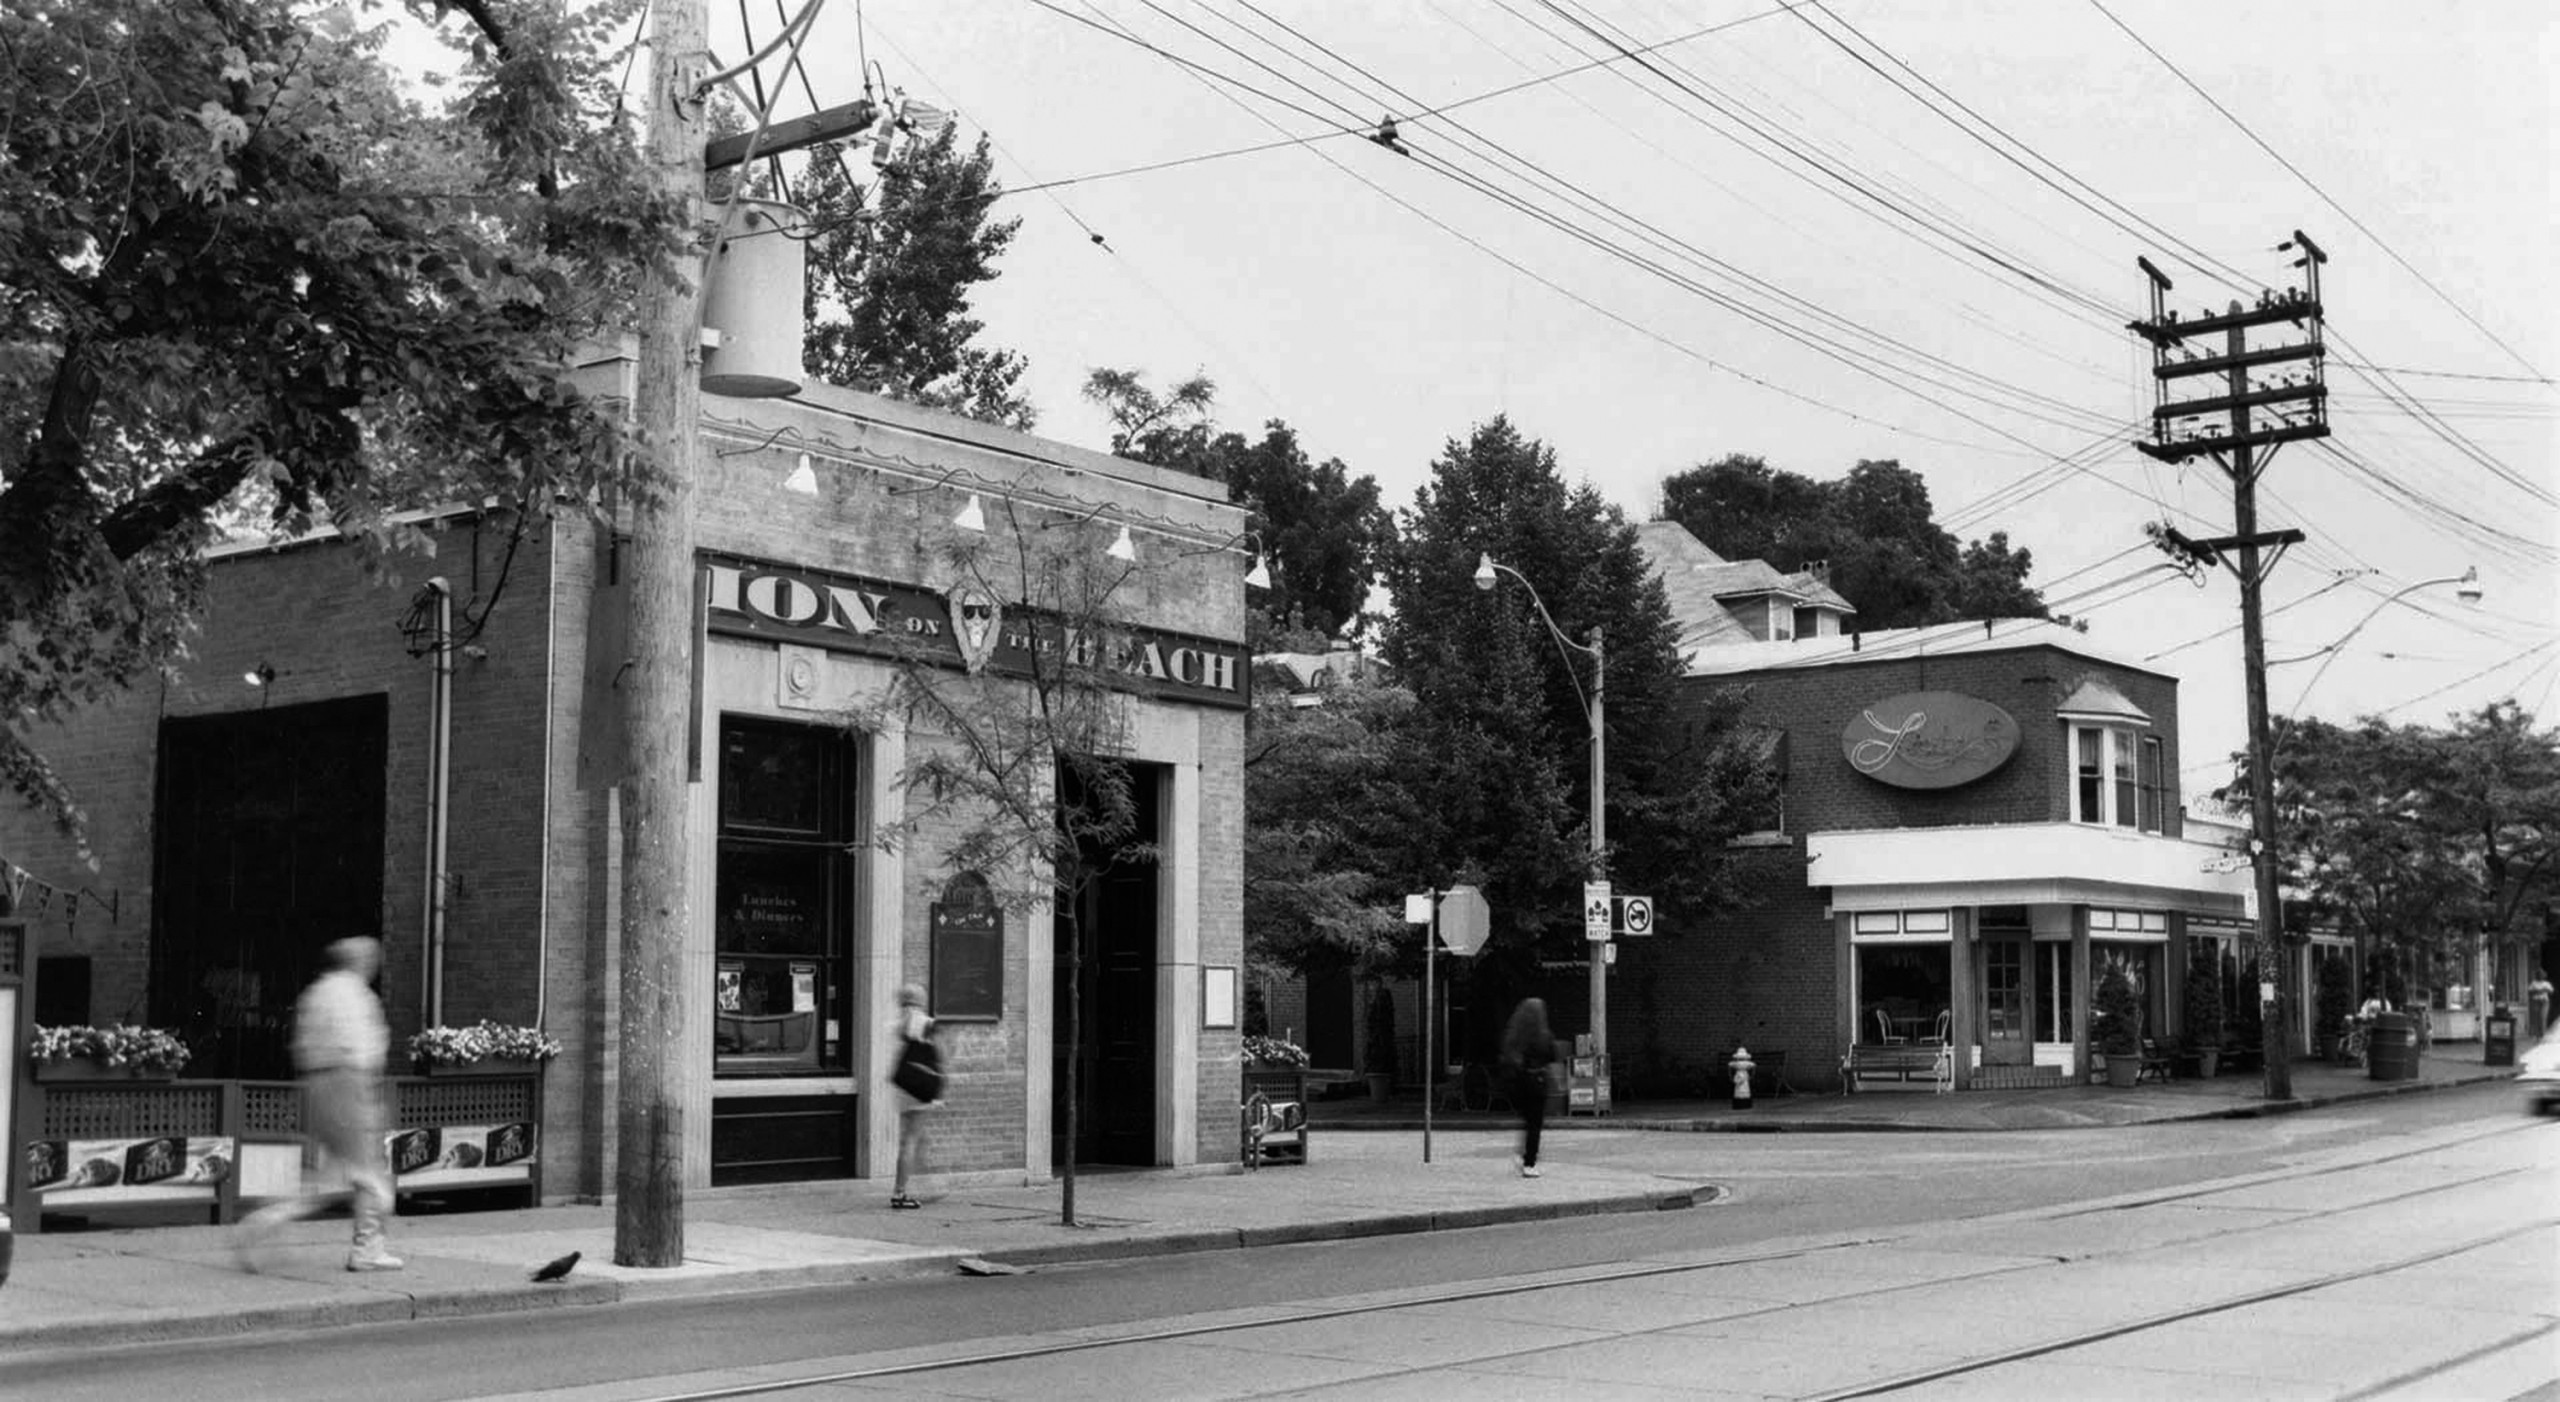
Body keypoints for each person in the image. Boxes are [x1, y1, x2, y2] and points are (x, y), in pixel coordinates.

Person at [236, 937, 401, 1272]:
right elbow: (362, 1051)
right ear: (359, 961)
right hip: (347, 1085)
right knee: (372, 1178)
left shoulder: (315, 993)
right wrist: (367, 1098)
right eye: (370, 958)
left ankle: (266, 1220)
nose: (373, 964)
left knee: (327, 1178)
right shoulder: (356, 996)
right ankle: (367, 1248)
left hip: (314, 1085)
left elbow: (302, 1045)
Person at [890, 983, 943, 1209]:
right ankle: (900, 1193)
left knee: (915, 1138)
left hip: (902, 1087)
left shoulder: (897, 1024)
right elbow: (939, 1058)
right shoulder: (928, 1024)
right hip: (921, 1088)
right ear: (920, 999)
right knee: (911, 1140)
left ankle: (930, 1184)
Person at [1499, 997, 1556, 1179]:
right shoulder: (1543, 1035)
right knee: (1534, 1124)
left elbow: (1507, 1055)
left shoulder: (1516, 1036)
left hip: (1520, 1083)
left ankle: (1525, 1154)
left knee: (1527, 1121)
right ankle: (1529, 1162)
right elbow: (1552, 1054)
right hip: (1537, 1082)